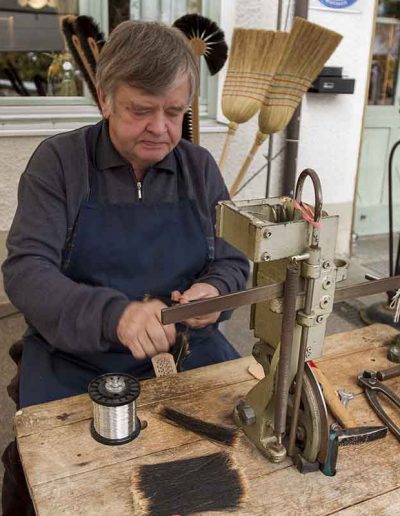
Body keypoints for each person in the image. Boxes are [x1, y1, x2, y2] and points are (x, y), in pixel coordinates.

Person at [1, 20, 249, 514]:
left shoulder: (199, 169)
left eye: (174, 112)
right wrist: (116, 315)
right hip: (76, 361)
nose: (160, 128)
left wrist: (213, 292)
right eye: (141, 111)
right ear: (105, 99)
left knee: (241, 470)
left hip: (187, 353)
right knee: (70, 491)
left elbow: (232, 258)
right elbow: (26, 270)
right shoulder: (60, 163)